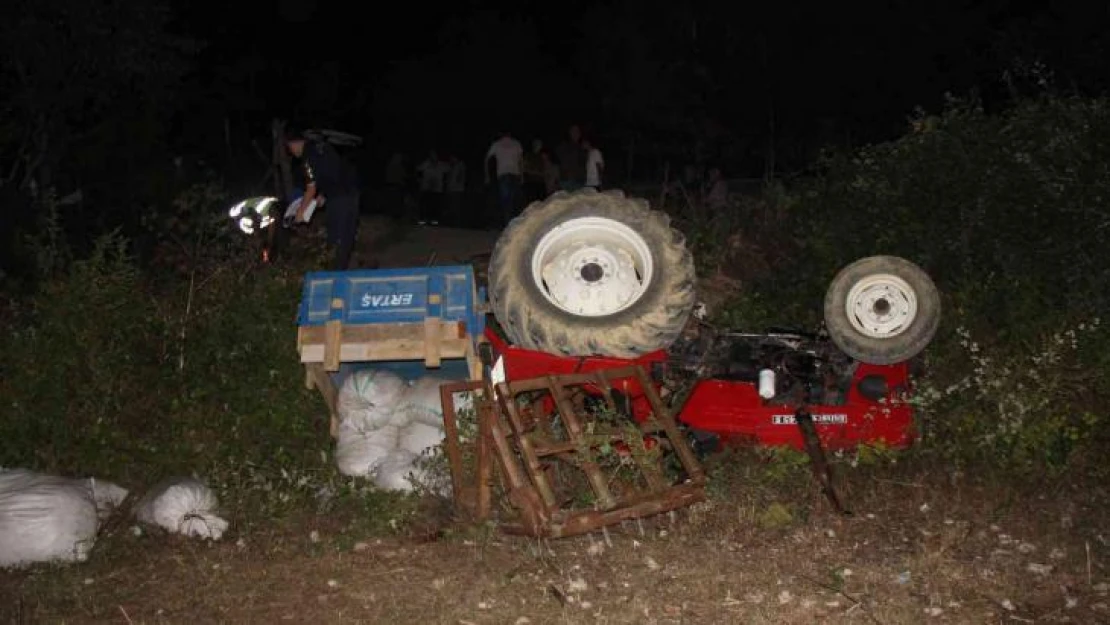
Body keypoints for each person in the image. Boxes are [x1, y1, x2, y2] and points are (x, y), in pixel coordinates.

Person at [285, 126, 361, 271]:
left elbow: (311, 187)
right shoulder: (322, 149)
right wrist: (323, 195)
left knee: (336, 241)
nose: (291, 152)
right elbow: (332, 174)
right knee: (346, 240)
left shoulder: (307, 157)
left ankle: (335, 277)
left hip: (339, 201)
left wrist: (301, 211)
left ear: (296, 143)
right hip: (351, 195)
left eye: (290, 147)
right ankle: (342, 271)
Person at [485, 130, 524, 224]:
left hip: (504, 174)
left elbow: (486, 159)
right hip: (514, 174)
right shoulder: (516, 143)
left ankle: (508, 222)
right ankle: (512, 222)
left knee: (506, 200)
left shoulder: (497, 144)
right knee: (513, 200)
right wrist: (522, 175)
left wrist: (487, 175)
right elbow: (521, 161)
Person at [416, 150, 448, 225]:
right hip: (426, 188)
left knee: (435, 206)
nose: (433, 157)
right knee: (425, 205)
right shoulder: (426, 163)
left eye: (435, 155)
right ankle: (423, 220)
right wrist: (419, 179)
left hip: (437, 189)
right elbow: (418, 169)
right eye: (432, 155)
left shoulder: (441, 164)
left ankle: (434, 221)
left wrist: (445, 182)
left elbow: (448, 170)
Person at [556, 124, 586, 191]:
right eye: (574, 131)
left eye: (577, 131)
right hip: (568, 180)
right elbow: (560, 156)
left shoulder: (580, 147)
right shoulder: (565, 145)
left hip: (579, 180)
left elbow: (583, 163)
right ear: (570, 133)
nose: (576, 133)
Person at [522, 138, 546, 205]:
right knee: (532, 203)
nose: (539, 145)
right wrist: (535, 172)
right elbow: (524, 168)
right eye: (538, 144)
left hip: (541, 182)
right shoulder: (528, 155)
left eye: (540, 144)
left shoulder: (542, 156)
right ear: (534, 145)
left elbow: (545, 169)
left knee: (542, 203)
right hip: (531, 182)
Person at [445, 154, 467, 226]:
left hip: (457, 190)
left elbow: (460, 176)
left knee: (457, 207)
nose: (451, 159)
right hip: (451, 189)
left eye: (453, 158)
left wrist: (457, 183)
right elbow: (448, 177)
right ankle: (452, 223)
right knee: (451, 207)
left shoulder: (460, 165)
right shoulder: (451, 166)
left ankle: (457, 224)